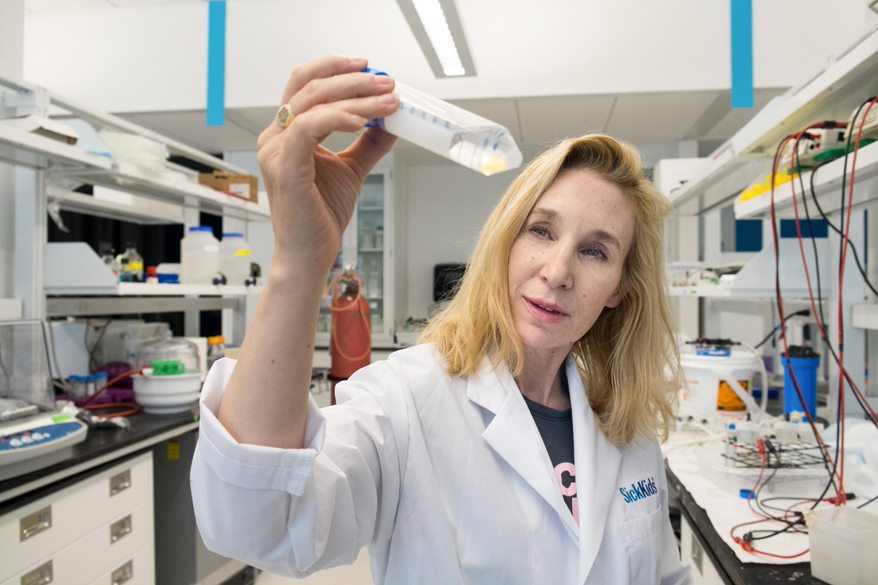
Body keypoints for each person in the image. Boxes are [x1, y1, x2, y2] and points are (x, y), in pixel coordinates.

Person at [191, 55, 691, 585]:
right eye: (541, 230)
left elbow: (663, 576)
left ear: (618, 290)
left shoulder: (626, 426)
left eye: (595, 252)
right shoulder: (407, 398)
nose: (558, 270)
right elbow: (262, 524)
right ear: (505, 243)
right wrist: (299, 259)